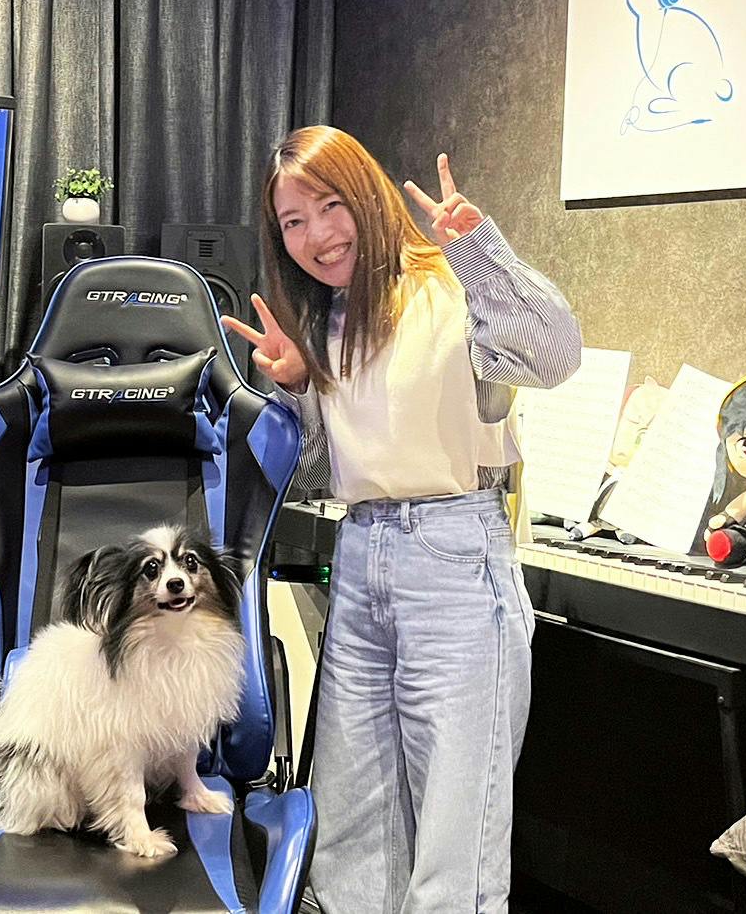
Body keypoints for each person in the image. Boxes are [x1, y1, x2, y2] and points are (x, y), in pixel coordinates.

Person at [221, 126, 582, 913]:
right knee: (352, 832)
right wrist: (296, 387)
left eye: (329, 205)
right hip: (360, 557)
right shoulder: (326, 319)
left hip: (454, 557)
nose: (317, 235)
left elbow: (555, 356)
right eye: (292, 221)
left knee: (454, 843)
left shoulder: (449, 289)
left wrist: (476, 250)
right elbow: (317, 471)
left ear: (367, 193)